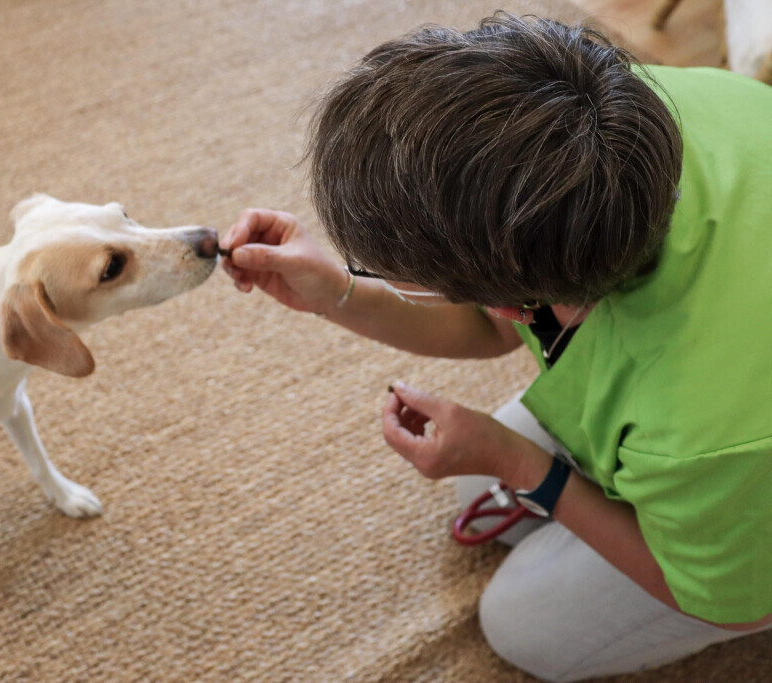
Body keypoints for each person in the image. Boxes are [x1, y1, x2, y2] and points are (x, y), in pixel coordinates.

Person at [219, 13, 772, 682]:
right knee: (478, 488)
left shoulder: (706, 434)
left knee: (518, 625)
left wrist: (522, 463)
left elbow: (727, 603)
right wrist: (335, 289)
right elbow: (489, 326)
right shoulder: (626, 109)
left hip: (737, 479)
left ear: (518, 297)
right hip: (694, 407)